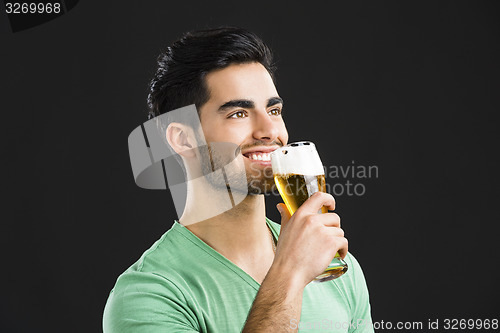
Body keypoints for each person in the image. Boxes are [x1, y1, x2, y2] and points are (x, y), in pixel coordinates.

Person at [103, 27, 373, 332]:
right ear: (182, 139)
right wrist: (289, 273)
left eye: (273, 110)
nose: (269, 131)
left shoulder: (336, 268)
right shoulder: (149, 296)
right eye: (239, 114)